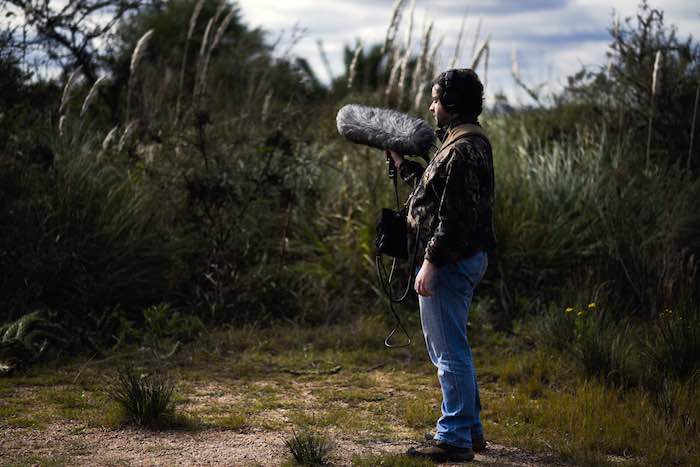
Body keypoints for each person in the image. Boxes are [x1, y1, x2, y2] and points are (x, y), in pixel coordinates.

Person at [387, 68, 496, 463]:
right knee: (455, 347)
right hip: (460, 258)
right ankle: (470, 430)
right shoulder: (464, 144)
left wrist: (430, 262)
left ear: (450, 105)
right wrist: (403, 166)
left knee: (448, 352)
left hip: (451, 261)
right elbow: (438, 193)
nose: (431, 107)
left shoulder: (463, 150)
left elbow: (455, 220)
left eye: (435, 100)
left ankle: (453, 437)